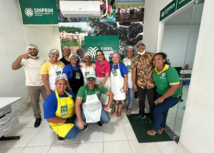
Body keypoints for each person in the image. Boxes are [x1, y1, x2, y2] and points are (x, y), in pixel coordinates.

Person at [12, 44, 46, 128]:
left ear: (37, 51)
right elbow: (14, 67)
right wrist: (20, 57)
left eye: (34, 49)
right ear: (27, 51)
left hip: (44, 84)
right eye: (30, 49)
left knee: (48, 100)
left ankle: (51, 115)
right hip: (31, 85)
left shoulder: (42, 60)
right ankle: (37, 117)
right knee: (35, 102)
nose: (32, 50)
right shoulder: (24, 60)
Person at [147, 53, 181, 136]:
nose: (156, 61)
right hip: (160, 93)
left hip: (173, 95)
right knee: (163, 110)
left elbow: (174, 87)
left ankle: (154, 129)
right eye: (154, 59)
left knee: (158, 110)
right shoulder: (155, 69)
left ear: (164, 60)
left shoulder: (170, 71)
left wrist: (163, 97)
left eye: (159, 59)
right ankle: (162, 126)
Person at [43, 73, 80, 141]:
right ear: (55, 84)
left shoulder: (70, 93)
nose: (62, 86)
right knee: (73, 134)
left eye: (64, 84)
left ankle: (72, 127)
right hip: (59, 122)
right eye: (59, 84)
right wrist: (67, 120)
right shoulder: (50, 99)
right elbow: (50, 119)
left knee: (81, 126)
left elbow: (75, 105)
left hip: (71, 117)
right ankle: (59, 133)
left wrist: (74, 115)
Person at [131, 40, 156, 122]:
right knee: (141, 100)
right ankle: (141, 114)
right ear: (136, 48)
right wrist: (134, 84)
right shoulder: (135, 59)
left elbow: (157, 67)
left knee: (151, 102)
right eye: (138, 47)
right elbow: (134, 72)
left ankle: (153, 117)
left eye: (142, 46)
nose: (140, 48)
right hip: (140, 84)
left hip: (151, 84)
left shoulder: (152, 56)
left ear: (145, 46)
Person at [110, 52, 128, 117]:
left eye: (116, 57)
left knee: (120, 99)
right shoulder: (111, 65)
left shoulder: (122, 65)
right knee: (115, 99)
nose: (115, 59)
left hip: (120, 86)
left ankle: (119, 110)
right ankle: (116, 110)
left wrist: (125, 86)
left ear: (119, 58)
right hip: (113, 86)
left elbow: (126, 76)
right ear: (112, 58)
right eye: (113, 57)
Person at [122, 46, 135, 115]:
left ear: (133, 52)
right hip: (125, 80)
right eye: (128, 51)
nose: (129, 52)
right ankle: (127, 105)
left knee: (131, 95)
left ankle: (129, 108)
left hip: (132, 80)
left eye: (131, 51)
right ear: (126, 52)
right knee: (126, 94)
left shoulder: (135, 60)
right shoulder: (124, 60)